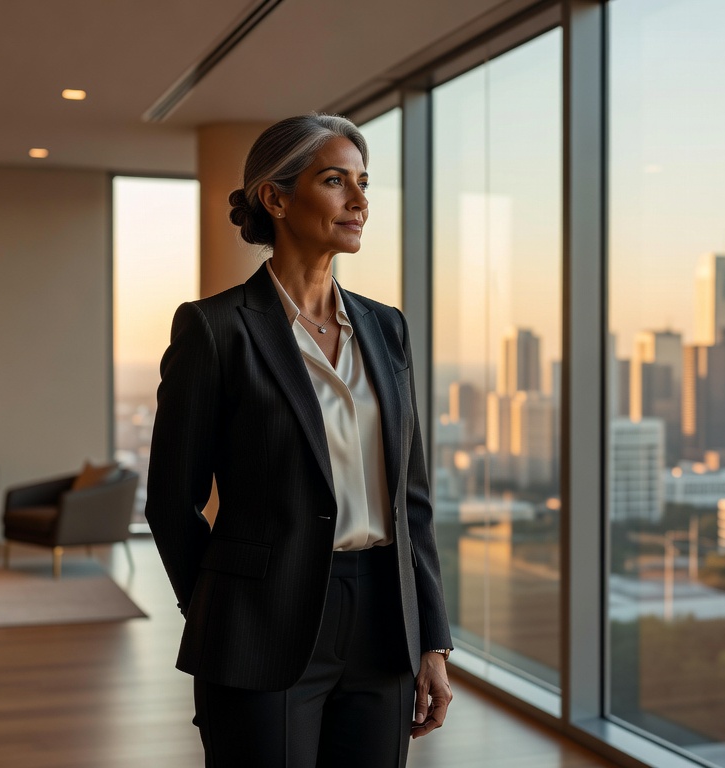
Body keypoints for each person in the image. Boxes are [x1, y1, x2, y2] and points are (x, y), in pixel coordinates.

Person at [145, 113, 453, 767]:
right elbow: (172, 502)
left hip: (382, 623)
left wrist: (432, 638)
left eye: (363, 183)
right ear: (276, 198)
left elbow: (412, 498)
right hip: (261, 625)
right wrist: (216, 612)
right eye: (336, 181)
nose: (360, 202)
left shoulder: (386, 328)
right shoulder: (216, 329)